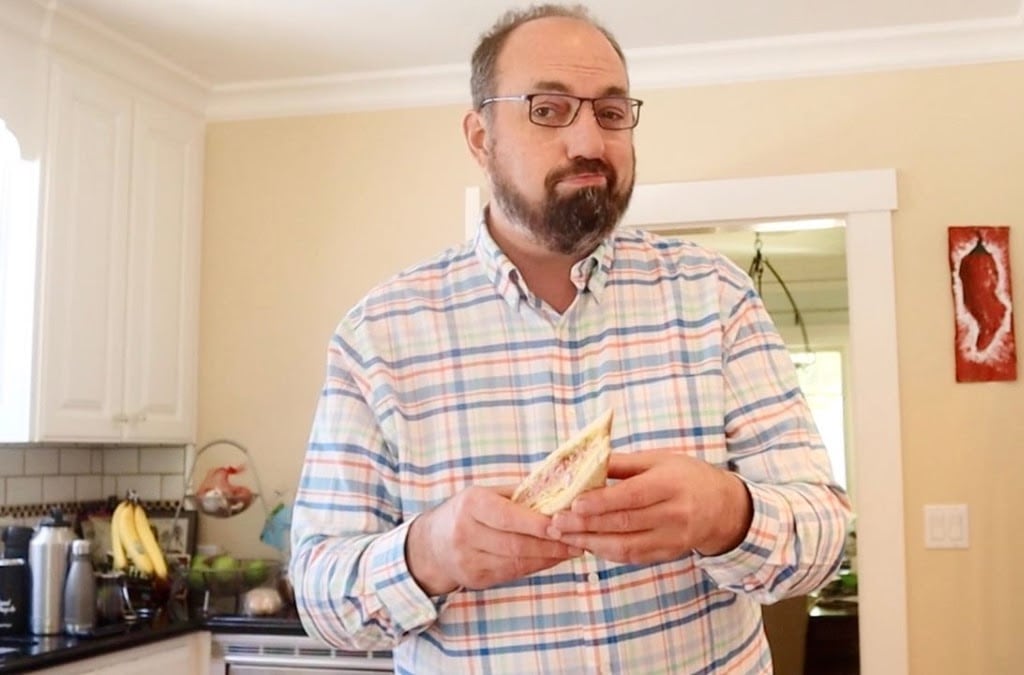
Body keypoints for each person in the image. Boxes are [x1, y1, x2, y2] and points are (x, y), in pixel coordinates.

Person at [289, 4, 852, 674]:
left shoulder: (717, 297)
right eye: (549, 109)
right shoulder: (377, 335)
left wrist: (726, 512)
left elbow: (824, 530)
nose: (589, 141)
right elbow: (319, 590)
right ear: (479, 135)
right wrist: (430, 552)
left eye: (612, 113)